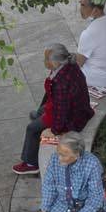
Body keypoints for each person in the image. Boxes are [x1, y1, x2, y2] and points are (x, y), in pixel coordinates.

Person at [13, 44, 93, 176]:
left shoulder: (61, 83)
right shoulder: (69, 66)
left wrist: (55, 130)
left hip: (71, 116)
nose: (44, 62)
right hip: (73, 107)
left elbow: (62, 110)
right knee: (40, 112)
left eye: (46, 60)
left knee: (32, 129)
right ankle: (40, 115)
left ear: (55, 62)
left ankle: (31, 163)